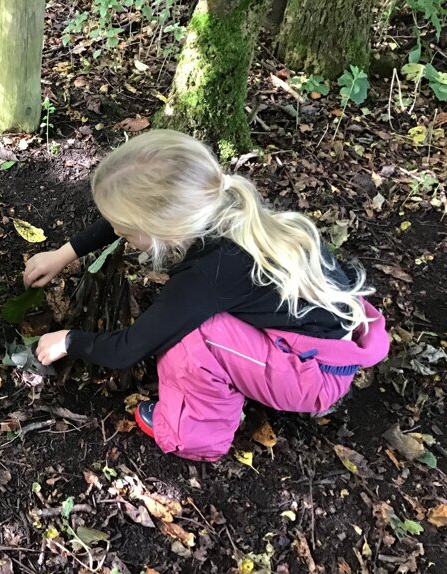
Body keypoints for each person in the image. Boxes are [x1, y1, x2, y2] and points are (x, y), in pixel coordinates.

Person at [22, 130, 389, 462]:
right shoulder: (225, 205)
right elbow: (129, 216)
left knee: (192, 339)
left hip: (315, 374)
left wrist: (69, 340)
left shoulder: (207, 276)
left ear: (161, 229)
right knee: (195, 318)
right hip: (327, 341)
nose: (117, 231)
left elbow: (128, 349)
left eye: (125, 231)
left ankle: (192, 436)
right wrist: (63, 254)